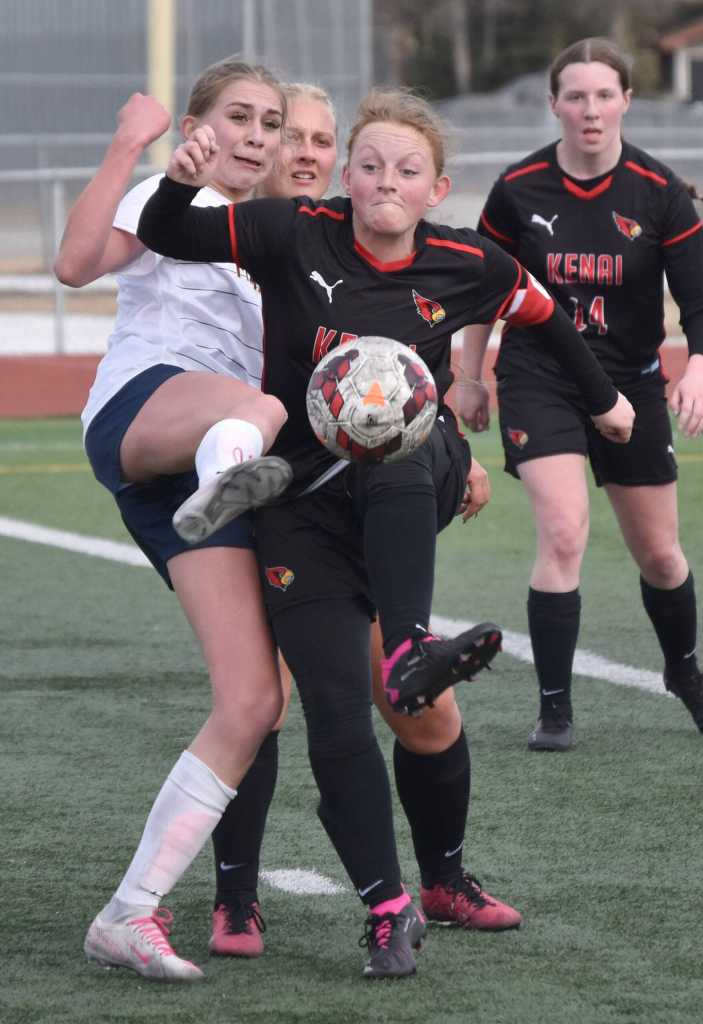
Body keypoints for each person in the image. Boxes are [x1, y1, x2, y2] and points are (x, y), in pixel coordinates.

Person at [136, 85, 635, 979]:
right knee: (333, 705)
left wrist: (607, 403)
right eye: (367, 165)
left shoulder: (467, 260)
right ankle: (389, 906)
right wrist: (176, 185)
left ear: (436, 187)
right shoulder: (295, 230)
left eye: (406, 170)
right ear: (347, 177)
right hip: (306, 512)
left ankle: (409, 645)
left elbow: (543, 318)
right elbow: (172, 234)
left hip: (419, 472)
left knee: (395, 425)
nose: (384, 182)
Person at [207, 82, 523, 963]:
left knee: (419, 710)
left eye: (316, 137)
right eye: (287, 137)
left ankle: (443, 882)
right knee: (259, 702)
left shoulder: (353, 238)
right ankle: (236, 895)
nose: (302, 151)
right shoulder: (245, 235)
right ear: (259, 148)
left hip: (363, 495)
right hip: (254, 494)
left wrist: (449, 443)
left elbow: (408, 354)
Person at [54, 59, 297, 983]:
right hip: (145, 414)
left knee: (255, 699)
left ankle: (130, 912)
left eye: (270, 123)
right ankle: (231, 471)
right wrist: (132, 145)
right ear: (200, 123)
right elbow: (75, 268)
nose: (257, 135)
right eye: (239, 116)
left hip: (200, 473)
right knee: (252, 410)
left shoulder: (272, 234)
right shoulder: (171, 190)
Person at [458, 37, 703, 752]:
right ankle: (555, 709)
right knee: (563, 533)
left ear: (626, 102)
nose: (590, 110)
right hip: (540, 377)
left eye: (604, 95)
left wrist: (700, 371)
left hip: (633, 383)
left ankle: (684, 673)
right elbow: (482, 293)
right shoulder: (518, 189)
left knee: (662, 557)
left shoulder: (659, 190)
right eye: (575, 96)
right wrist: (468, 375)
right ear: (554, 104)